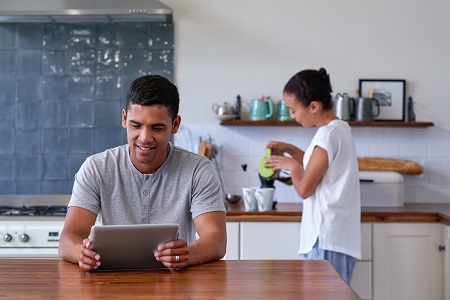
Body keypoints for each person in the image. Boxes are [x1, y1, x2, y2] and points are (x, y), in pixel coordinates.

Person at [59, 75, 227, 271]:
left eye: (157, 127)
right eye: (136, 125)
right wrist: (81, 253)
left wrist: (188, 254)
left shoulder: (198, 169)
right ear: (124, 119)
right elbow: (68, 238)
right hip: (110, 283)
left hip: (176, 284)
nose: (145, 138)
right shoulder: (96, 168)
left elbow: (216, 240)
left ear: (175, 124)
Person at [264, 68, 361, 284]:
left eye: (293, 110)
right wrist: (289, 149)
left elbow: (305, 189)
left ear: (314, 106)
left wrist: (292, 166)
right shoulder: (339, 129)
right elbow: (318, 164)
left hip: (325, 236)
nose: (292, 116)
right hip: (336, 236)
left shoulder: (326, 135)